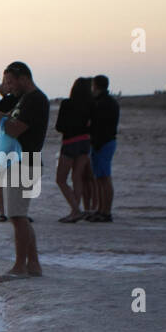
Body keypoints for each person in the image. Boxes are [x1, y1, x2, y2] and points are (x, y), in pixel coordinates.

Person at [0, 61, 46, 280]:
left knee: (17, 217)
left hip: (23, 162)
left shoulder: (34, 100)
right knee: (20, 216)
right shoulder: (25, 99)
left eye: (10, 81)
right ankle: (33, 265)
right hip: (19, 161)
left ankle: (19, 266)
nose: (8, 86)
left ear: (23, 78)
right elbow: (7, 115)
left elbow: (14, 129)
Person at [53, 76, 94, 223]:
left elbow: (59, 126)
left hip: (70, 142)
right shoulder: (90, 105)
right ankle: (75, 209)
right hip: (85, 142)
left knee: (61, 179)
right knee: (77, 177)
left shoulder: (67, 103)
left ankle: (76, 210)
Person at [88, 74, 119, 222]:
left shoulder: (103, 103)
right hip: (104, 142)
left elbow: (99, 125)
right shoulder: (108, 102)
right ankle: (101, 209)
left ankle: (106, 211)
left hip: (104, 143)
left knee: (104, 178)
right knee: (100, 179)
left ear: (96, 86)